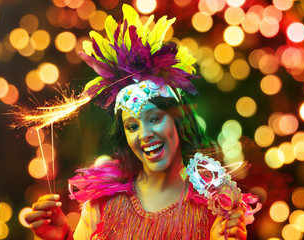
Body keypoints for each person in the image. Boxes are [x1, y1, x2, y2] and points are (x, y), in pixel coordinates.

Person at [24, 4, 256, 240]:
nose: (144, 134)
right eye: (132, 126)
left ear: (178, 119)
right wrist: (63, 237)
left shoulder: (216, 205)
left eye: (155, 118)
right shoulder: (102, 202)